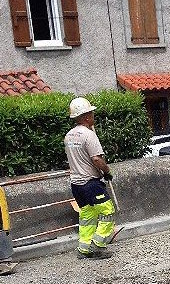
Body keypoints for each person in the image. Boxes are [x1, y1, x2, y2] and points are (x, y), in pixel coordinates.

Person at [64, 97, 115, 260]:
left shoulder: (69, 136)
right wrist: (107, 171)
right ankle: (98, 246)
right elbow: (96, 159)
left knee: (87, 216)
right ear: (86, 116)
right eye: (91, 113)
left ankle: (84, 248)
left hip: (76, 185)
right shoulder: (89, 135)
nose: (94, 115)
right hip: (91, 183)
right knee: (108, 212)